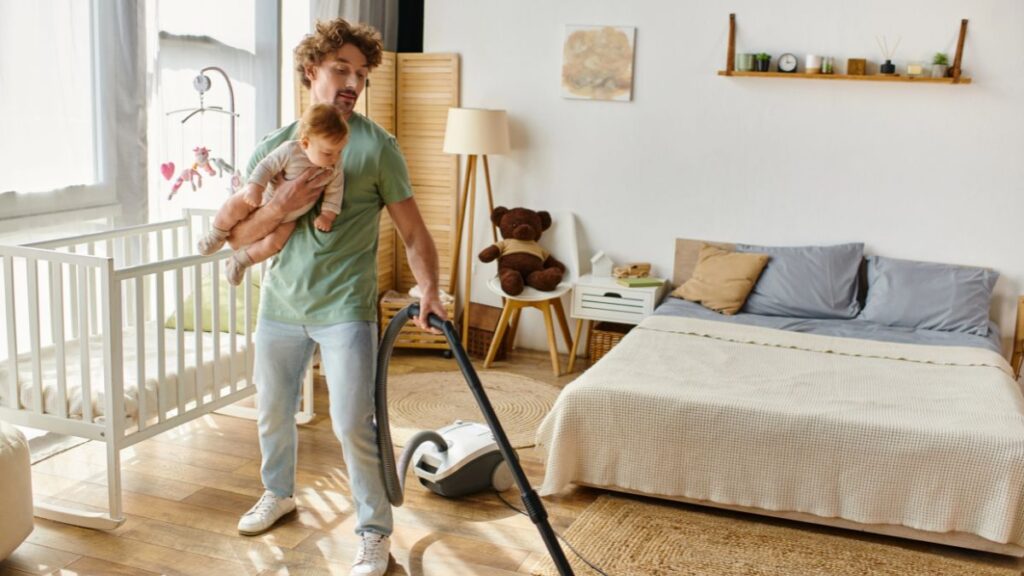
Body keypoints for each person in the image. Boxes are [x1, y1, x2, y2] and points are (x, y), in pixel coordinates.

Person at [229, 18, 446, 576]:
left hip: (346, 308)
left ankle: (374, 531)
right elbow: (240, 236)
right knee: (273, 413)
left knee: (354, 422)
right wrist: (282, 204)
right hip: (280, 304)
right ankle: (278, 493)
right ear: (311, 72)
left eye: (361, 73)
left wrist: (431, 290)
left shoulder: (377, 147)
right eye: (340, 69)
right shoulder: (276, 147)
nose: (353, 81)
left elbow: (414, 233)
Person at [196, 103, 349, 285]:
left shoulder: (334, 167)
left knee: (274, 244)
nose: (336, 158)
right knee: (234, 205)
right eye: (328, 153)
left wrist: (327, 215)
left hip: (290, 217)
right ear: (305, 143)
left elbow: (335, 191)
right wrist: (256, 188)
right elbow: (267, 166)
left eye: (340, 151)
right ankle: (216, 234)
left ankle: (240, 261)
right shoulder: (290, 150)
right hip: (264, 196)